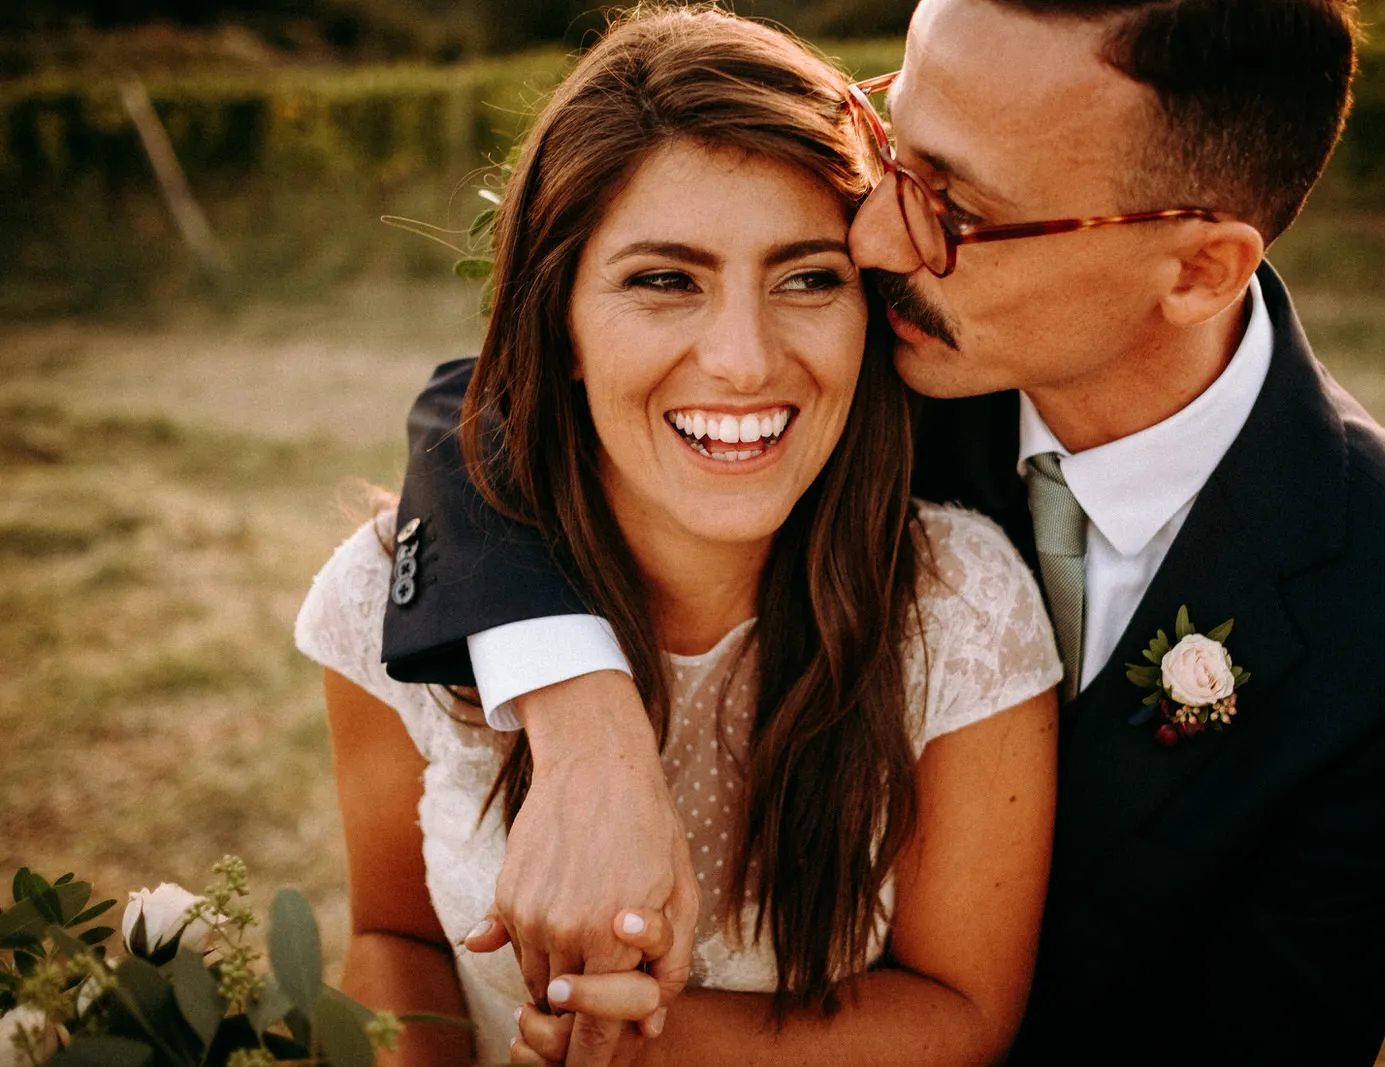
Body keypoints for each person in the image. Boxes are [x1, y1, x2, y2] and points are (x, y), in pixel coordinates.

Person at [383, 0, 1385, 1063]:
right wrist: (585, 722)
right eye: (893, 146)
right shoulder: (868, 347)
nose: (876, 238)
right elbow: (486, 404)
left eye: (959, 208)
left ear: (1195, 269)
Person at [296, 8, 1061, 1066]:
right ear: (556, 317)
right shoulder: (383, 593)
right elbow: (393, 936)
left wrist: (629, 1048)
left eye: (807, 278)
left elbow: (960, 1008)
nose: (743, 360)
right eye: (664, 280)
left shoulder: (962, 605)